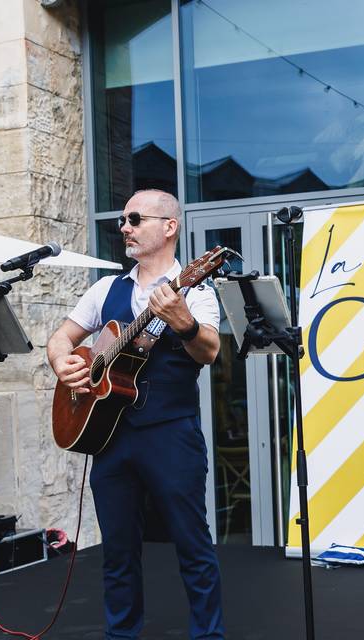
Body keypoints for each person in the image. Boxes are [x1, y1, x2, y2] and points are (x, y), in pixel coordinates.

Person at [47, 189, 225, 639]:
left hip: (170, 434)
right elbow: (61, 338)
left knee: (192, 542)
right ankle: (121, 634)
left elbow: (209, 352)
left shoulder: (196, 288)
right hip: (110, 438)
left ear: (169, 226)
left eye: (134, 218)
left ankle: (209, 634)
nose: (123, 226)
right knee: (119, 551)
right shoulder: (106, 288)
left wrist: (182, 321)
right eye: (123, 219)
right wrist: (62, 363)